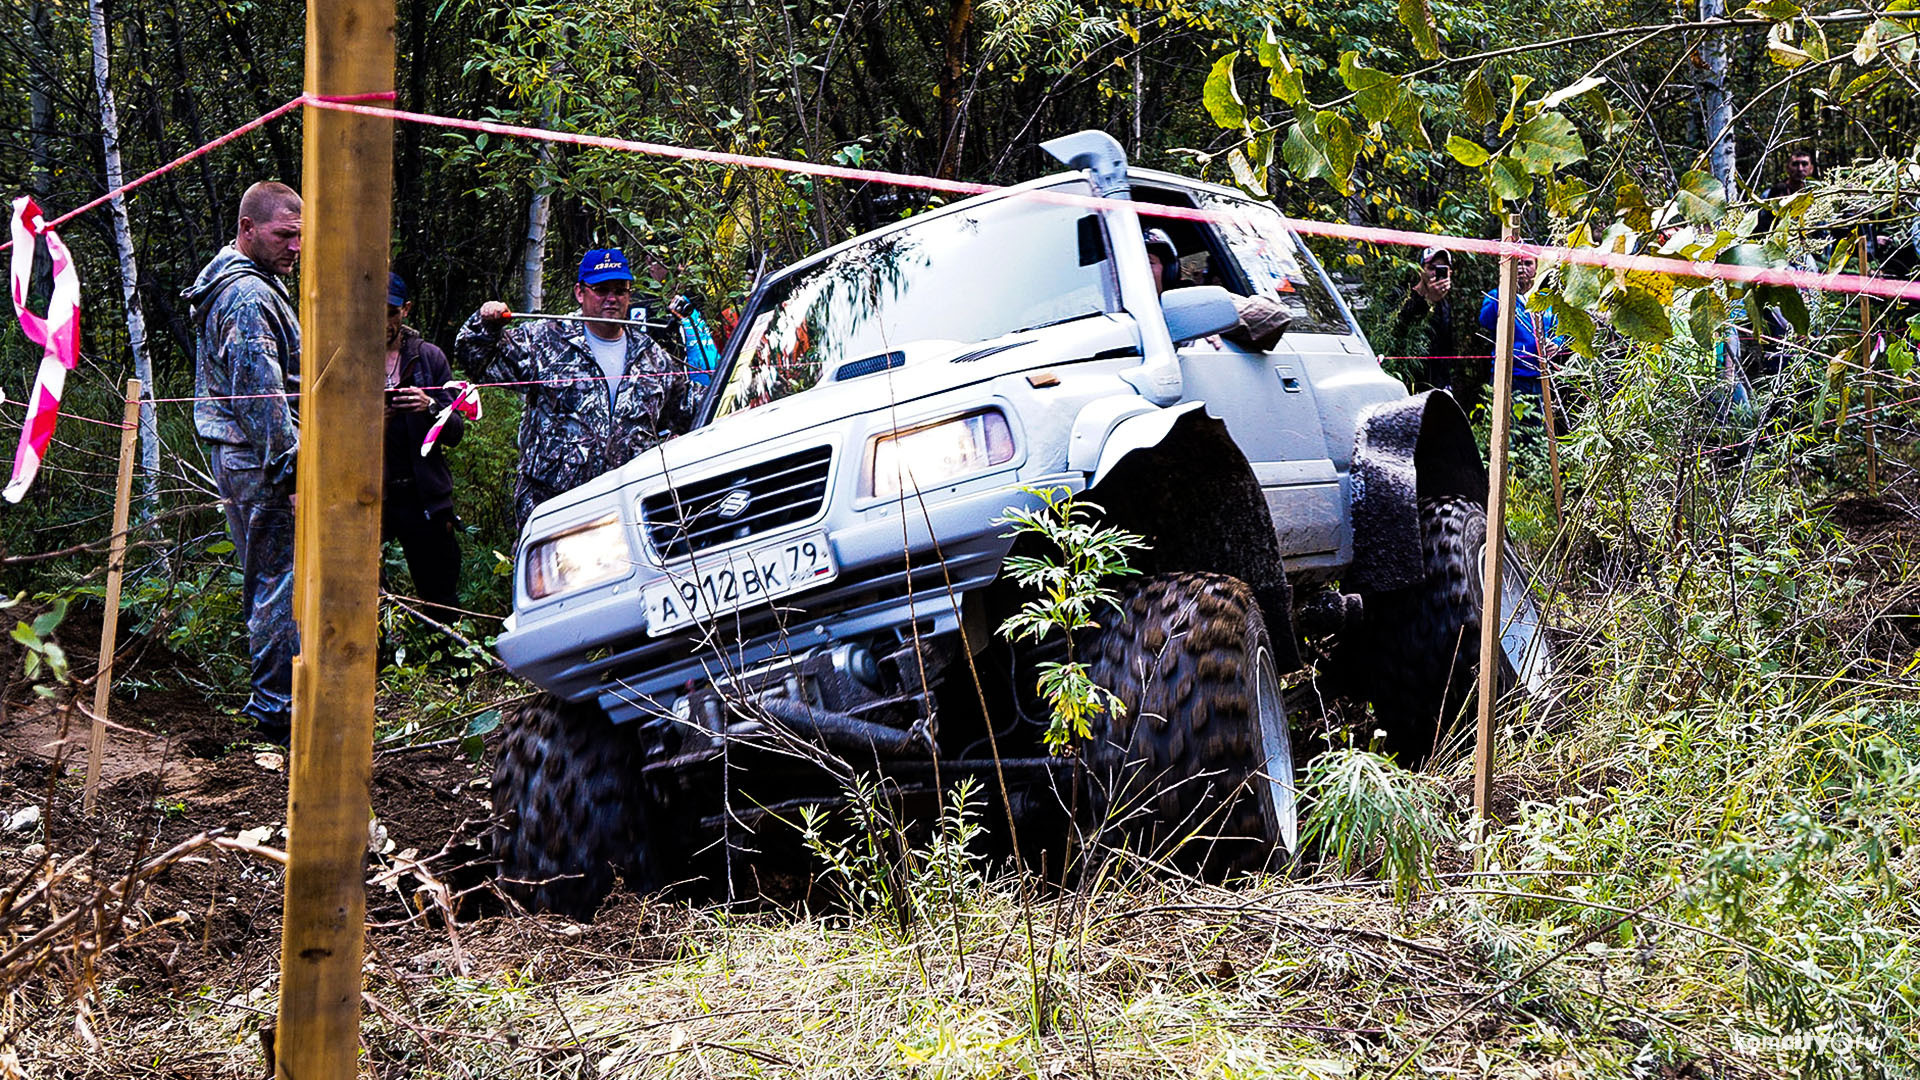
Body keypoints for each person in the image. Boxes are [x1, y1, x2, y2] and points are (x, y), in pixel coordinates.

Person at [456, 247, 697, 532]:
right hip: (555, 508)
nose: (612, 298)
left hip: (628, 513)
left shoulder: (650, 354)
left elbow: (690, 409)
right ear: (580, 293)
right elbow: (476, 359)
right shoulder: (546, 339)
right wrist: (485, 323)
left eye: (620, 290)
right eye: (601, 289)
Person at [186, 181, 302, 745]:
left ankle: (280, 703)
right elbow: (262, 398)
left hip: (250, 458)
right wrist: (293, 472)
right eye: (284, 235)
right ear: (248, 229)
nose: (295, 247)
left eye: (301, 236)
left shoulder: (254, 286)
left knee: (276, 579)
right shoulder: (247, 298)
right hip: (260, 461)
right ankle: (278, 713)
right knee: (281, 581)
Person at [382, 272, 465, 620]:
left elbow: (456, 431)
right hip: (370, 497)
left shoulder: (428, 359)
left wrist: (429, 406)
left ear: (405, 311)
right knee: (367, 600)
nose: (382, 321)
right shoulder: (347, 360)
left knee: (440, 597)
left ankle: (455, 670)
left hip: (423, 497)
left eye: (390, 312)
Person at [1477, 249, 1563, 400]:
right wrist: (1505, 288)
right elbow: (1485, 320)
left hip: (1540, 376)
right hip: (1508, 376)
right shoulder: (1497, 295)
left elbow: (1559, 329)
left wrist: (1556, 343)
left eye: (1528, 263)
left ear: (1537, 268)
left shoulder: (1545, 299)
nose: (1522, 268)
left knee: (1541, 423)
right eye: (1517, 263)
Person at [1382, 247, 1457, 393]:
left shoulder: (1444, 305)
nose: (1436, 273)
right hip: (1406, 382)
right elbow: (1396, 332)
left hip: (1436, 385)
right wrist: (1428, 301)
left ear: (1450, 274)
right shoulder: (1402, 296)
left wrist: (1447, 384)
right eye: (1431, 268)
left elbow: (1446, 347)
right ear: (1420, 270)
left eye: (1442, 269)